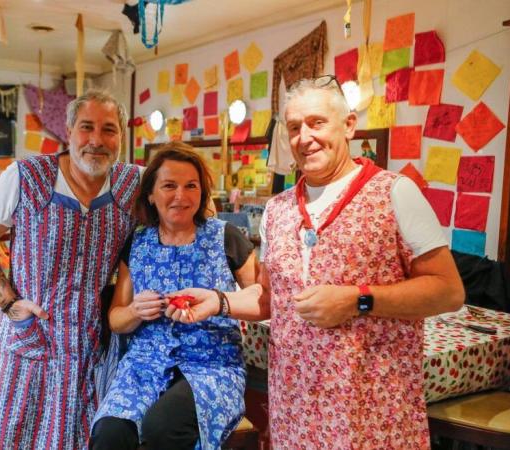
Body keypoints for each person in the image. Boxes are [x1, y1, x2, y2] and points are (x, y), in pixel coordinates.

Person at [177, 76, 465, 449]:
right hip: (295, 408)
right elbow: (269, 299)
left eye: (317, 122)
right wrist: (219, 301)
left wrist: (358, 300)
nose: (304, 137)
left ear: (348, 126)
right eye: (295, 127)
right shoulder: (277, 210)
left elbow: (448, 291)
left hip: (373, 411)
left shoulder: (394, 192)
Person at [0, 89, 141, 449]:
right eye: (86, 127)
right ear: (69, 131)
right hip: (34, 334)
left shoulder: (132, 184)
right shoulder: (27, 176)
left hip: (91, 345)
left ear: (122, 136)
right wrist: (11, 304)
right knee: (20, 435)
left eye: (109, 130)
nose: (97, 140)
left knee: (80, 437)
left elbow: (190, 202)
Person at [89, 142, 258, 450]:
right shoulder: (137, 243)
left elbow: (261, 302)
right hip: (145, 363)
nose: (181, 196)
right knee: (109, 434)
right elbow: (116, 319)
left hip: (213, 366)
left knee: (163, 428)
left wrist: (219, 302)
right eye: (169, 186)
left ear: (202, 192)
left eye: (191, 186)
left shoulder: (226, 238)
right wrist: (137, 311)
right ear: (151, 195)